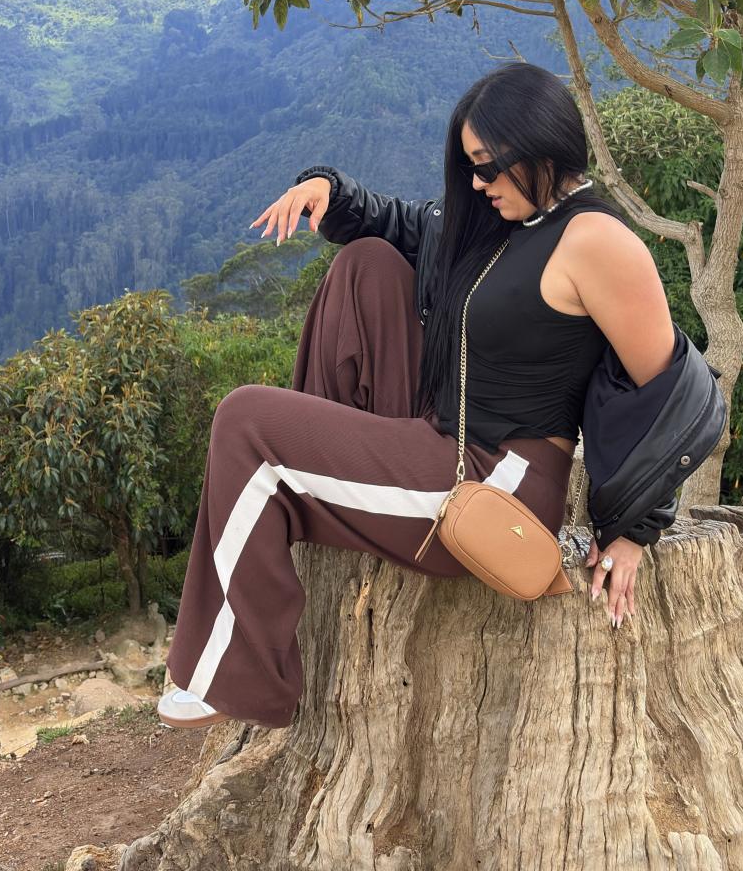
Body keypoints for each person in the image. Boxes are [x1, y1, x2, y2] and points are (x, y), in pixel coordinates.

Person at [157, 62, 676, 731]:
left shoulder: (596, 240)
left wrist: (635, 530)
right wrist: (329, 189)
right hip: (446, 432)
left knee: (245, 424)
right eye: (470, 168)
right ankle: (315, 491)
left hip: (497, 485)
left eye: (488, 167)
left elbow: (666, 389)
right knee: (366, 264)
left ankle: (233, 676)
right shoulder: (504, 218)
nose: (478, 183)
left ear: (542, 150)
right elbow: (409, 224)